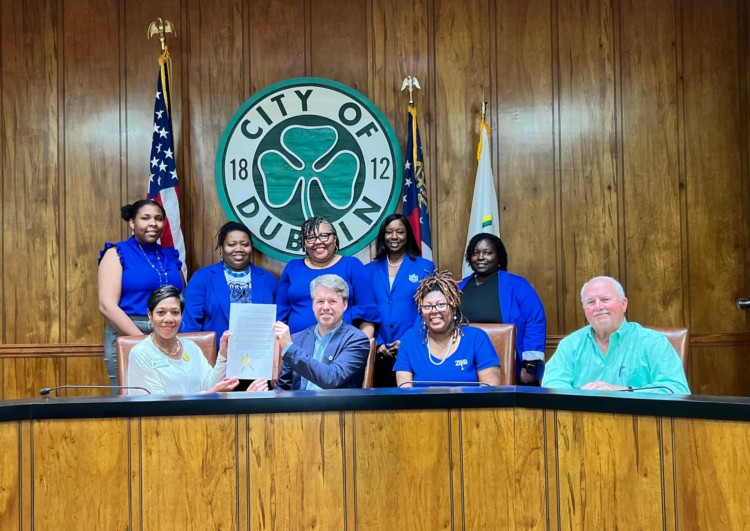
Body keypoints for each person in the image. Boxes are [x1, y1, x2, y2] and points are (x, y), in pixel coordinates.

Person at [542, 276, 690, 394]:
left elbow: (676, 389)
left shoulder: (653, 342)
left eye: (605, 299)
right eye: (591, 302)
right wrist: (582, 396)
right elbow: (551, 385)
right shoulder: (570, 345)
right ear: (584, 309)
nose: (598, 307)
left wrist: (623, 391)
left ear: (624, 304)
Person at [98, 200, 184, 387]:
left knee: (171, 399)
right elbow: (107, 306)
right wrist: (145, 344)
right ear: (132, 223)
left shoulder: (170, 255)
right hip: (129, 333)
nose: (153, 223)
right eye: (145, 218)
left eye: (158, 218)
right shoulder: (116, 253)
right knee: (131, 403)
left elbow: (180, 295)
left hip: (168, 333)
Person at [459, 233, 546, 385]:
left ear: (498, 257)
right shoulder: (458, 287)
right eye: (475, 252)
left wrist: (530, 365)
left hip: (510, 364)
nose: (480, 257)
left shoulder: (517, 285)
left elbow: (535, 321)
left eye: (487, 252)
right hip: (465, 362)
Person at [394, 270, 502, 387]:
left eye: (441, 305)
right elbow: (404, 394)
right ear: (421, 312)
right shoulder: (409, 341)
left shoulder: (476, 338)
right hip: (423, 406)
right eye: (427, 306)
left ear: (454, 308)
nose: (434, 311)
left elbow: (490, 391)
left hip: (468, 405)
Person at [127, 286, 241, 395]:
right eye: (161, 312)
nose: (168, 319)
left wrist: (223, 355)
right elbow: (158, 403)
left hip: (201, 414)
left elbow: (211, 385)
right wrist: (209, 393)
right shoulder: (141, 353)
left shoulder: (191, 347)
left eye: (175, 312)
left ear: (182, 315)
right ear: (150, 315)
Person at [276, 216, 379, 337]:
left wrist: (362, 348)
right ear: (303, 243)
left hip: (343, 348)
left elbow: (368, 314)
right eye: (311, 238)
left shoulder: (352, 265)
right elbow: (279, 314)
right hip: (296, 347)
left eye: (324, 235)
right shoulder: (292, 268)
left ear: (334, 239)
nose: (318, 241)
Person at [182, 221, 278, 350]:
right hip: (215, 358)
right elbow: (190, 325)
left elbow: (279, 321)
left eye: (245, 244)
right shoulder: (202, 279)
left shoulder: (268, 280)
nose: (239, 249)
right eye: (231, 244)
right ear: (221, 248)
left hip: (259, 356)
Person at [364, 214, 435, 387]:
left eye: (400, 232)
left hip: (414, 344)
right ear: (383, 236)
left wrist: (408, 338)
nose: (394, 237)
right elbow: (365, 309)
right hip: (378, 351)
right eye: (389, 232)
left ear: (408, 235)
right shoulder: (368, 270)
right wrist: (377, 341)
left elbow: (429, 307)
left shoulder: (425, 267)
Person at [270, 274, 371, 390]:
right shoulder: (297, 339)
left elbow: (331, 379)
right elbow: (284, 387)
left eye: (332, 301)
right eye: (320, 301)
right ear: (313, 305)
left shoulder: (357, 340)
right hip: (299, 406)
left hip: (337, 407)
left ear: (345, 305)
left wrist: (289, 347)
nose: (325, 307)